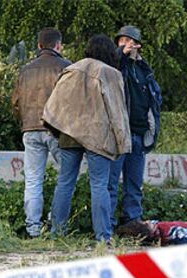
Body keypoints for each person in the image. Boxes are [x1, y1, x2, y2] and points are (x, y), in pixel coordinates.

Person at [43, 34, 131, 243]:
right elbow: (118, 112)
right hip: (97, 136)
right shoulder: (110, 73)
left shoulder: (71, 69)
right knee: (99, 185)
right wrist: (122, 142)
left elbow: (55, 105)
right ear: (109, 51)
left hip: (70, 133)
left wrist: (58, 130)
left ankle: (57, 233)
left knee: (64, 183)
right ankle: (103, 237)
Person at [11, 27, 71, 238]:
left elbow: (16, 103)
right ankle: (57, 227)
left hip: (30, 128)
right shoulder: (66, 67)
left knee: (33, 180)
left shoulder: (25, 70)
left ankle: (33, 229)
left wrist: (25, 122)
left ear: (38, 46)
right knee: (65, 179)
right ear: (58, 45)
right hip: (57, 130)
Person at [108, 25, 162, 228]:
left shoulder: (143, 68)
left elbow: (154, 98)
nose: (126, 45)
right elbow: (112, 64)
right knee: (111, 182)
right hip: (120, 132)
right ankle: (109, 224)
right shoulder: (115, 65)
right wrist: (121, 53)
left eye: (130, 41)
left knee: (134, 183)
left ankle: (132, 221)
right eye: (122, 41)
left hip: (139, 133)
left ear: (138, 45)